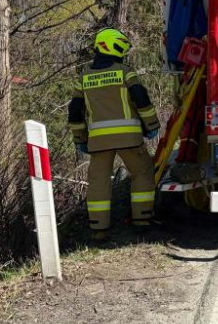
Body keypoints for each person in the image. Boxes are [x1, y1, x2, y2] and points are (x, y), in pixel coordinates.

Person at [68, 28, 161, 240]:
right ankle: (142, 220)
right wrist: (151, 125)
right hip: (129, 139)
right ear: (115, 46)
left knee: (99, 181)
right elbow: (141, 99)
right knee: (142, 173)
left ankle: (99, 228)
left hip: (99, 141)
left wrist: (80, 138)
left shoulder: (83, 78)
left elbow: (74, 110)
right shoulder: (125, 72)